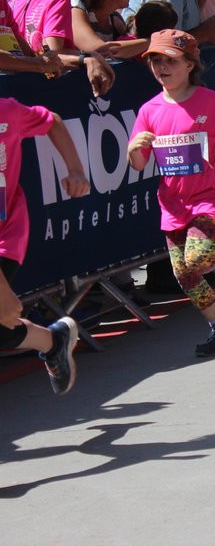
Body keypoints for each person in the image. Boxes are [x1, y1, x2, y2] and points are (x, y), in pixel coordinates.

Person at [127, 30, 215, 357]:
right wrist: (134, 149)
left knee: (198, 259)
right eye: (155, 60)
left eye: (169, 60)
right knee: (185, 274)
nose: (161, 67)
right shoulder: (149, 110)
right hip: (173, 205)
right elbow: (139, 163)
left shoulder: (211, 103)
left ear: (189, 64)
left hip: (209, 199)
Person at [0, 96, 90, 394]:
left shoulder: (8, 110)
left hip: (6, 237)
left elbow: (51, 120)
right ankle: (54, 341)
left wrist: (75, 169)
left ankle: (54, 341)